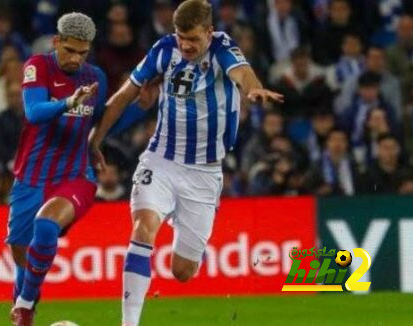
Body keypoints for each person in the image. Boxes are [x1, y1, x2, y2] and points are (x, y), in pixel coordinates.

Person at [89, 1, 283, 325]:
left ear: (209, 32)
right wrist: (95, 138)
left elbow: (243, 73)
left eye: (193, 38)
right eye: (181, 37)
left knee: (183, 272)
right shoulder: (164, 50)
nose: (187, 45)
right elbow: (124, 95)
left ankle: (190, 235)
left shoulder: (222, 48)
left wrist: (255, 88)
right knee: (143, 228)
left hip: (204, 173)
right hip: (161, 159)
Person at [8, 13, 156, 326]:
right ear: (56, 42)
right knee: (23, 264)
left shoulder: (96, 78)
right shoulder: (38, 65)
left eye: (83, 52)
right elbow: (34, 112)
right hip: (30, 179)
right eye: (70, 50)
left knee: (47, 227)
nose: (76, 58)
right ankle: (25, 306)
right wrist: (67, 103)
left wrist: (140, 109)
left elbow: (102, 122)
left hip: (76, 176)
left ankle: (24, 305)